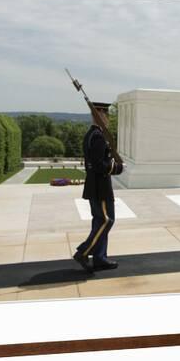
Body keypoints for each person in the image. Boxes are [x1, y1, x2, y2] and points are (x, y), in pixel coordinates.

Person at [73, 102, 123, 273]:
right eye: (106, 115)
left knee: (99, 221)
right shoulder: (98, 137)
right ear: (99, 115)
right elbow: (99, 164)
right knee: (106, 220)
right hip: (100, 186)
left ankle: (100, 258)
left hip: (95, 185)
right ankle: (84, 251)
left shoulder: (91, 134)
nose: (108, 119)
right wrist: (116, 167)